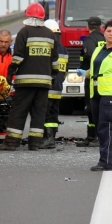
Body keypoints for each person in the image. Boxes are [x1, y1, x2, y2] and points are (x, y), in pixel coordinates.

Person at [0, 3, 59, 151]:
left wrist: (10, 71)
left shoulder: (24, 32)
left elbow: (18, 56)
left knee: (19, 111)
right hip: (44, 83)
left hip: (25, 82)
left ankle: (12, 143)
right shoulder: (50, 34)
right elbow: (55, 60)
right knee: (39, 113)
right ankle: (35, 144)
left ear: (28, 16)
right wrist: (53, 76)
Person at [76, 20, 112, 171]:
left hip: (111, 95)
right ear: (104, 32)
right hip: (96, 93)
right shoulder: (98, 49)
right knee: (100, 128)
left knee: (106, 127)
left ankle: (106, 161)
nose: (111, 34)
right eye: (109, 31)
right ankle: (106, 160)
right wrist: (85, 73)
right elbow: (96, 71)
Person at [76, 16, 105, 147]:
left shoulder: (89, 40)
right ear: (101, 27)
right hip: (105, 78)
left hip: (91, 77)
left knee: (90, 107)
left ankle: (93, 136)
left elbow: (91, 56)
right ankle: (94, 136)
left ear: (88, 27)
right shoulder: (105, 39)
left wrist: (84, 70)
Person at [39, 20, 68, 149]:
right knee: (53, 114)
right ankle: (51, 138)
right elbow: (65, 71)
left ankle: (46, 138)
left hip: (47, 87)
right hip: (58, 88)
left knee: (44, 114)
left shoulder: (48, 47)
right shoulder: (64, 50)